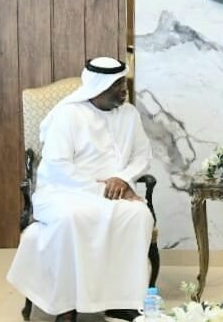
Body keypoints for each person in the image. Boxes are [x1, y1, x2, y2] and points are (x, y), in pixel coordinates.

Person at [8, 57, 155, 322]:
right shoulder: (68, 116)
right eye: (117, 85)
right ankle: (66, 305)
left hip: (116, 192)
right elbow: (59, 168)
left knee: (138, 215)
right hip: (65, 191)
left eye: (123, 82)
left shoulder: (129, 114)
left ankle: (120, 302)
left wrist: (122, 179)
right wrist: (103, 190)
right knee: (72, 219)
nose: (124, 89)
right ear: (98, 88)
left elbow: (142, 155)